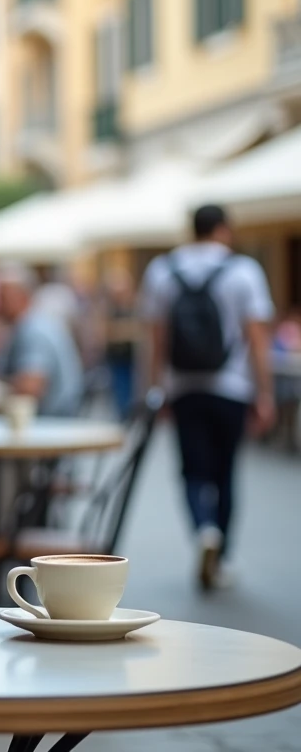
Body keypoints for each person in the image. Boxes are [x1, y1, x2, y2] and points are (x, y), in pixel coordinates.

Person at [139, 204, 275, 591]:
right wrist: (264, 393)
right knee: (226, 470)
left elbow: (157, 338)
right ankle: (225, 552)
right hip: (232, 387)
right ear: (224, 230)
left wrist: (156, 389)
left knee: (192, 470)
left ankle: (204, 528)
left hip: (183, 388)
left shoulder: (162, 271)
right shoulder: (244, 271)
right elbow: (257, 339)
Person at [0, 262, 84, 418]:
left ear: (21, 296)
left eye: (3, 297)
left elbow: (31, 387)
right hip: (60, 419)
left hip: (54, 424)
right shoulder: (39, 320)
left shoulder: (33, 329)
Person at [102, 269, 139, 420]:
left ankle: (129, 417)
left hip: (130, 358)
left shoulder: (134, 307)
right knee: (120, 394)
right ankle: (124, 418)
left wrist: (120, 331)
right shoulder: (109, 309)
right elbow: (104, 333)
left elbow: (139, 331)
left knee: (131, 392)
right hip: (116, 359)